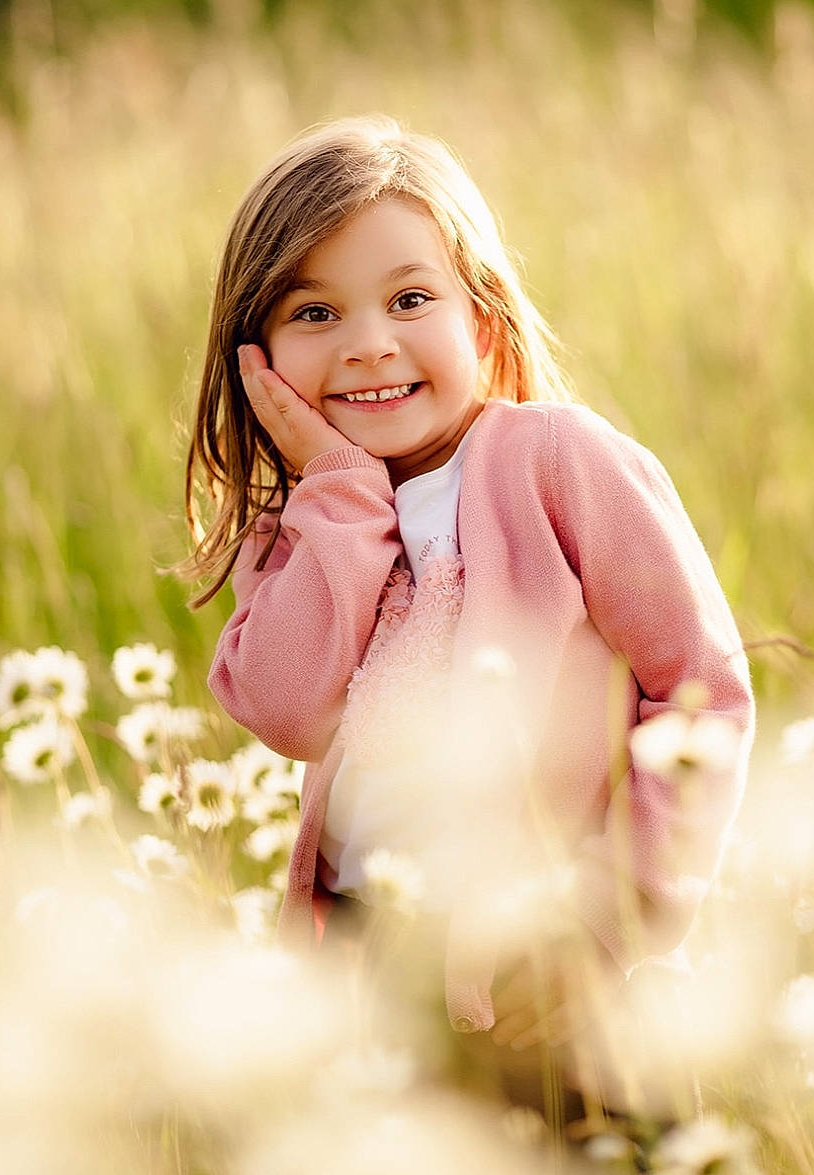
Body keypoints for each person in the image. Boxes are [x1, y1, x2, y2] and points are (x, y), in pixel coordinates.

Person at [181, 114, 755, 1138]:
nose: (368, 342)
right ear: (258, 359)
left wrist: (613, 910)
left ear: (481, 318)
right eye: (314, 311)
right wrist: (342, 493)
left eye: (410, 298)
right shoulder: (300, 528)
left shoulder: (556, 461)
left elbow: (699, 686)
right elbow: (287, 709)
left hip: (553, 956)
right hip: (368, 970)